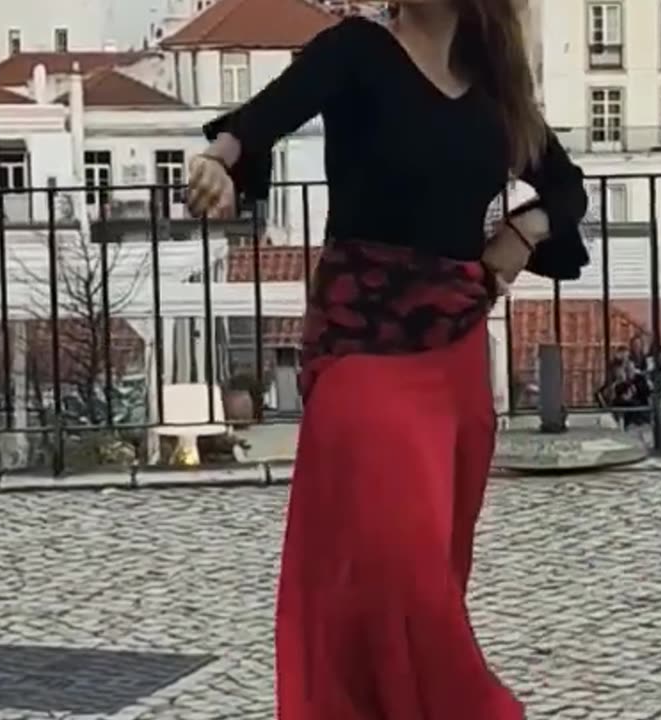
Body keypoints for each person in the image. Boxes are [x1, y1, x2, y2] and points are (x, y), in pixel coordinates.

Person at [184, 2, 589, 718]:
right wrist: (219, 160)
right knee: (401, 574)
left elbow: (565, 187)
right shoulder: (356, 50)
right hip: (361, 350)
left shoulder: (495, 85)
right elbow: (259, 120)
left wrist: (522, 233)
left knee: (429, 573)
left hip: (455, 358)